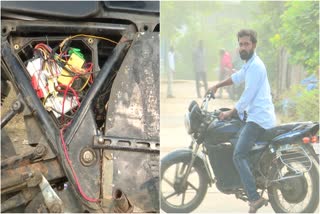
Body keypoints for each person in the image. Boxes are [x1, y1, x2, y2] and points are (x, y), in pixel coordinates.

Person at [207, 29, 276, 213]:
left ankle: (254, 198)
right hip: (252, 116)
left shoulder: (257, 66)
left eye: (246, 44)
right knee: (235, 138)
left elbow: (248, 94)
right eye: (241, 44)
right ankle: (250, 174)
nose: (243, 47)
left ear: (254, 45)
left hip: (258, 119)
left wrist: (231, 112)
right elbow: (236, 78)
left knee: (238, 154)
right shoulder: (249, 64)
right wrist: (217, 85)